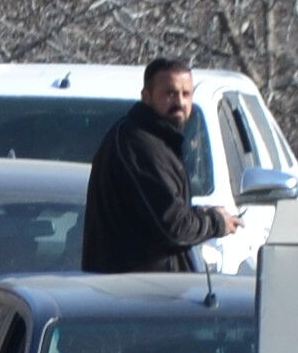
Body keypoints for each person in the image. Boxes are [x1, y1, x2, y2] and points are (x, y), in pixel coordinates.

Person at [80, 62, 227, 276]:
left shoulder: (158, 141)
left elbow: (153, 215)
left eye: (186, 94)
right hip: (135, 294)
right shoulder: (139, 144)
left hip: (150, 290)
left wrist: (196, 214)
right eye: (169, 93)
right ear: (146, 95)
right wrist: (217, 223)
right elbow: (174, 229)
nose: (179, 102)